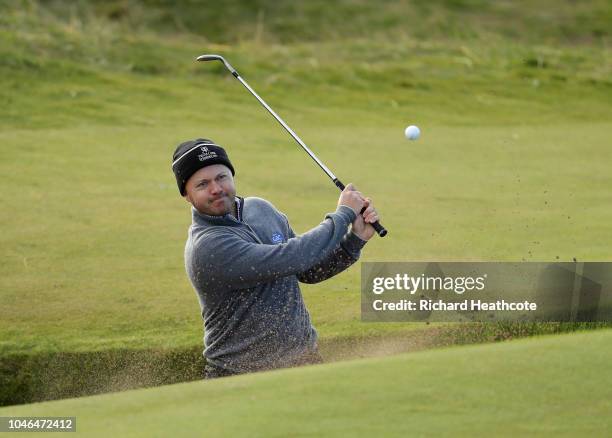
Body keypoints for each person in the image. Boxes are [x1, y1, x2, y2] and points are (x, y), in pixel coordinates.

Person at [171, 138, 379, 379]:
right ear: (186, 194)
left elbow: (308, 270)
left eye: (221, 177)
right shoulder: (207, 247)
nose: (216, 188)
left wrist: (356, 239)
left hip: (306, 361)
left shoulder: (260, 209)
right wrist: (343, 215)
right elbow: (293, 256)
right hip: (239, 376)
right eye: (202, 184)